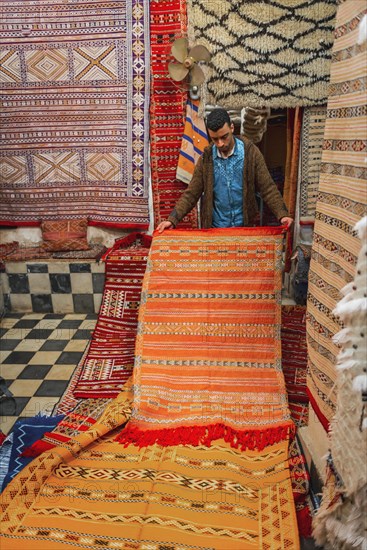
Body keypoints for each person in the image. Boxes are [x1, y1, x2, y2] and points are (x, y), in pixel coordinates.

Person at [157, 108, 293, 232]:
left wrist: (282, 215)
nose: (220, 143)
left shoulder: (251, 153)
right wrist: (172, 219)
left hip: (244, 228)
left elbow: (267, 188)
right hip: (216, 229)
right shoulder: (207, 158)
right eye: (215, 139)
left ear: (232, 128)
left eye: (224, 137)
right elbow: (191, 194)